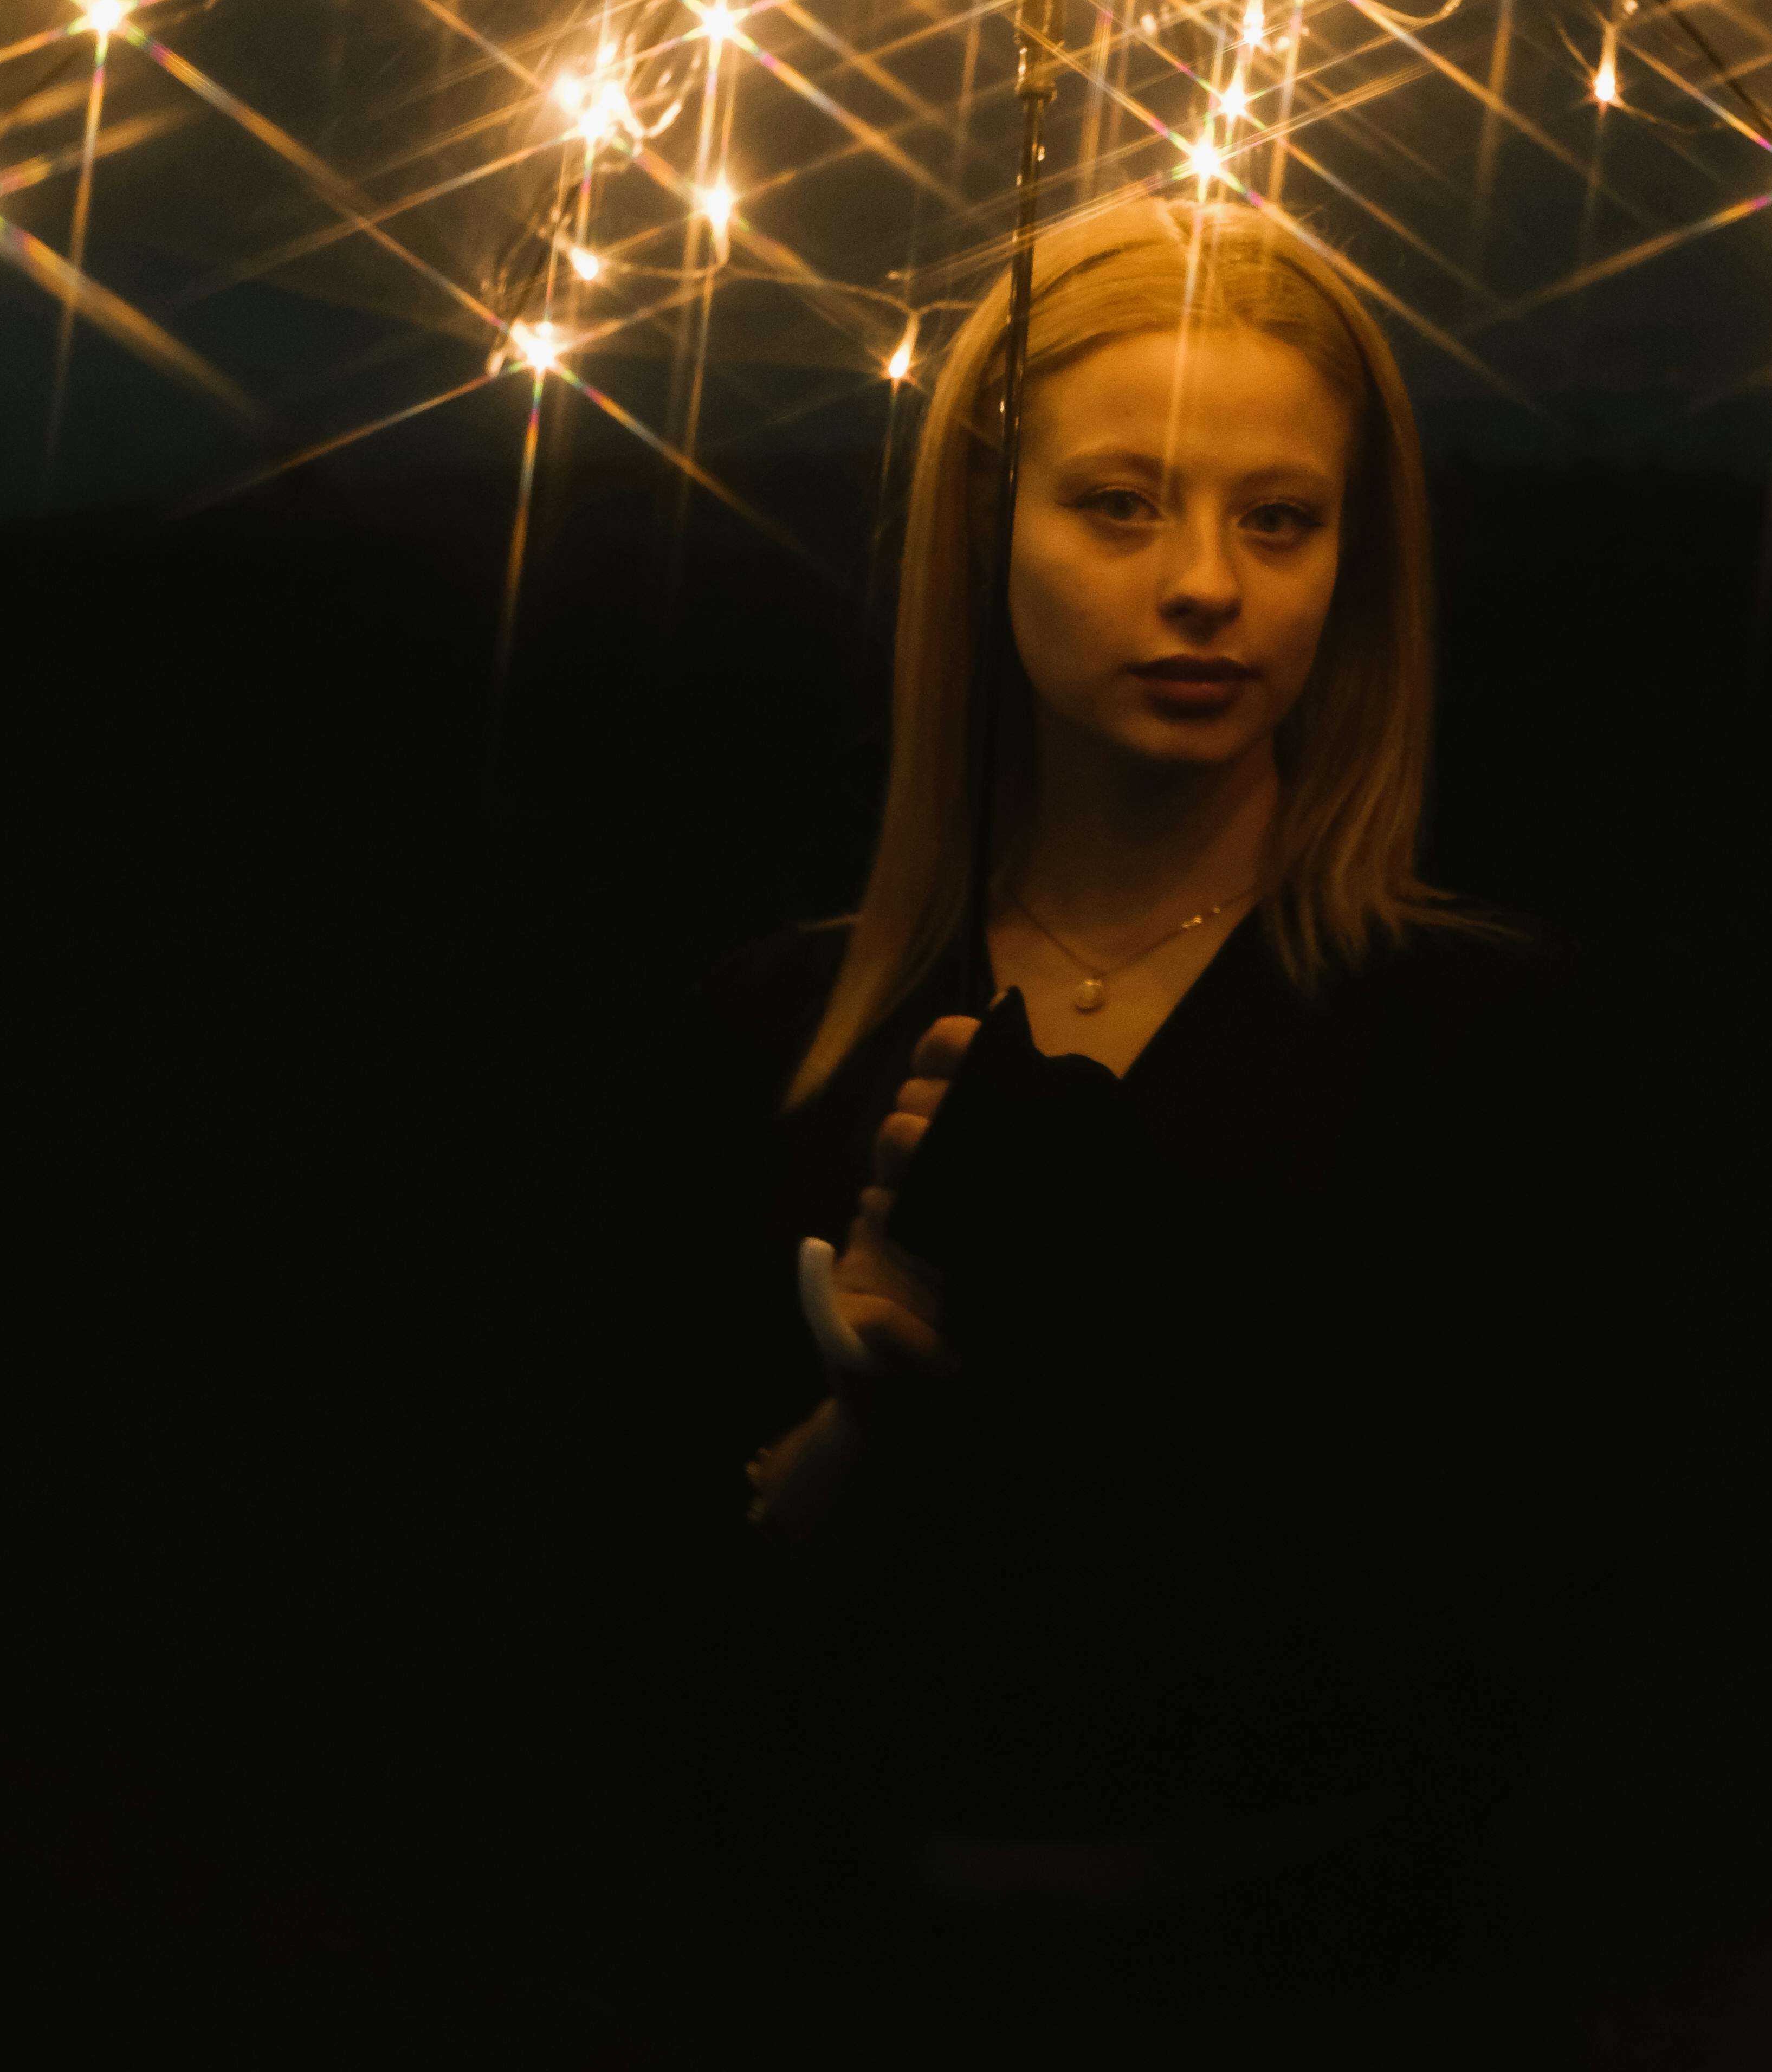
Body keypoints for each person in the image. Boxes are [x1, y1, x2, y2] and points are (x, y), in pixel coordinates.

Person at [564, 196, 1666, 2069]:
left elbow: (1498, 1631)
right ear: (983, 534)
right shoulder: (781, 1033)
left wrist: (1078, 1310)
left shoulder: (1487, 1030)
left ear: (1355, 563)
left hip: (1349, 2006)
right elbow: (643, 1641)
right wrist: (852, 1448)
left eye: (1282, 518)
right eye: (1120, 502)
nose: (1209, 584)